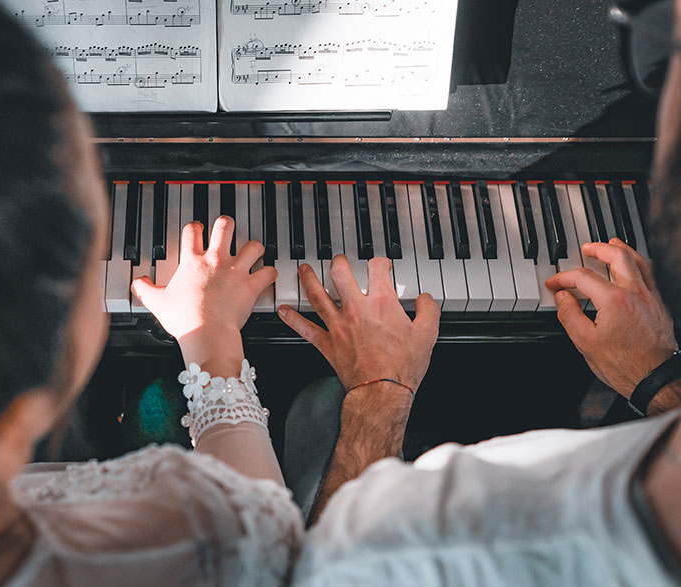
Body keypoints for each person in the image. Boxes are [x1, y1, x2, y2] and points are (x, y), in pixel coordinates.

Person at [0, 2, 302, 585]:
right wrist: (211, 339)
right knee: (164, 402)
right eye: (86, 231)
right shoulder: (200, 543)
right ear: (20, 413)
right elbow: (261, 522)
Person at [282, 1, 681, 584]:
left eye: (665, 56)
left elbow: (332, 574)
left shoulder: (492, 527)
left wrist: (379, 391)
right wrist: (658, 381)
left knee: (315, 412)